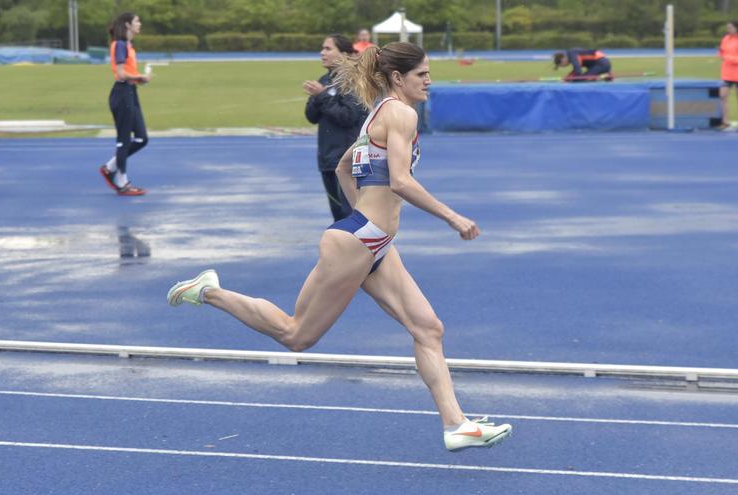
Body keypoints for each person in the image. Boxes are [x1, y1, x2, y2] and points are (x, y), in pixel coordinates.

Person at [167, 42, 512, 452]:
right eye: (423, 74)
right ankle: (208, 291)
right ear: (398, 78)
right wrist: (451, 217)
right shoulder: (400, 113)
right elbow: (400, 181)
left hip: (371, 241)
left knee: (428, 329)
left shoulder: (376, 116)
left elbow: (344, 166)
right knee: (296, 335)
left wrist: (362, 218)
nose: (429, 80)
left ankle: (456, 425)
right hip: (359, 241)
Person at [304, 34, 367, 221]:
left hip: (347, 161)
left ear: (345, 54)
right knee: (338, 216)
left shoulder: (354, 80)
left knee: (352, 215)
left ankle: (362, 250)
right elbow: (311, 117)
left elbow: (348, 116)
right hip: (327, 159)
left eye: (328, 49)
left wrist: (322, 96)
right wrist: (317, 97)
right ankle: (344, 250)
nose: (322, 53)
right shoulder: (324, 79)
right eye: (322, 48)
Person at [98, 12, 151, 196]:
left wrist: (139, 80)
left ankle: (110, 167)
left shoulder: (128, 45)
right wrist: (139, 77)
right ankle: (122, 182)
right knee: (124, 140)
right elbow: (121, 73)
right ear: (128, 25)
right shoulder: (120, 45)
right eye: (137, 21)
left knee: (142, 138)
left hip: (130, 92)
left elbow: (127, 73)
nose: (140, 23)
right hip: (122, 94)